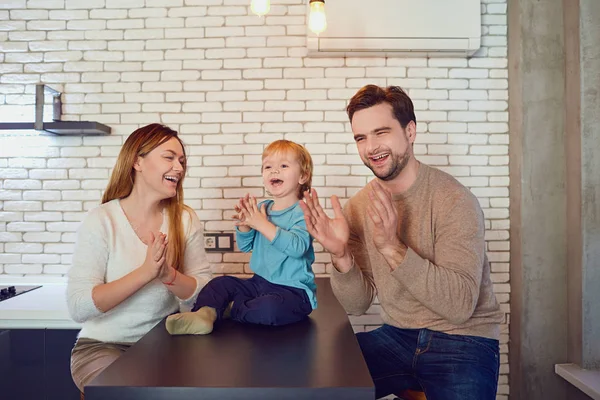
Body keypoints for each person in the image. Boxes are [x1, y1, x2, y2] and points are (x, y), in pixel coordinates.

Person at [300, 85, 504, 400]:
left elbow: (460, 305)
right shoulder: (357, 208)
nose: (371, 147)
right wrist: (340, 256)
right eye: (360, 138)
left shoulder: (454, 200)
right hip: (397, 336)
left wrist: (391, 247)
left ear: (410, 131)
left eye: (381, 132)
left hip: (464, 340)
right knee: (311, 383)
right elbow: (357, 304)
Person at [66, 123, 212, 393]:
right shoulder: (102, 220)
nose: (179, 168)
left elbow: (204, 292)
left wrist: (169, 276)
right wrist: (146, 272)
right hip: (102, 347)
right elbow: (79, 307)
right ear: (137, 161)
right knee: (129, 392)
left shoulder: (184, 219)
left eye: (181, 160)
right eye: (169, 157)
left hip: (164, 344)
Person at [165, 139, 316, 335]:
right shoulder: (263, 208)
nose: (274, 171)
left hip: (293, 291)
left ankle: (226, 310)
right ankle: (204, 314)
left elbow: (297, 248)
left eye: (284, 166)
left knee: (270, 309)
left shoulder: (304, 212)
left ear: (303, 176)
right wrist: (245, 227)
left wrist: (262, 224)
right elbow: (246, 247)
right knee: (220, 284)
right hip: (258, 283)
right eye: (268, 166)